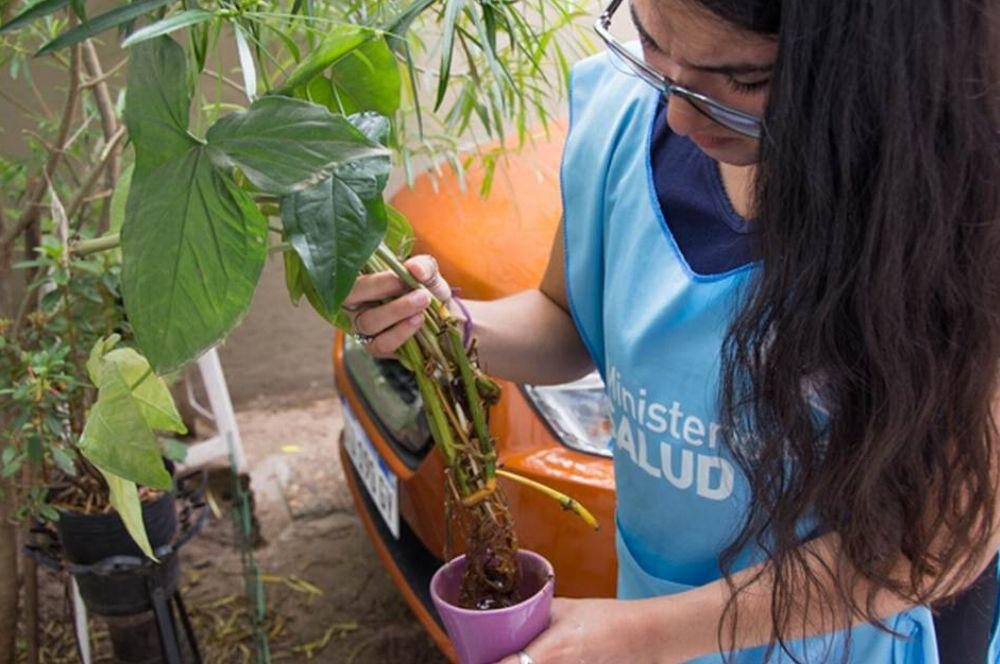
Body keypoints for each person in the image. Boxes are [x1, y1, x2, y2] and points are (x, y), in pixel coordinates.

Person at [342, 0, 1000, 661]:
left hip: (850, 632)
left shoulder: (958, 214)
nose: (680, 116)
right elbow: (565, 320)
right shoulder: (621, 121)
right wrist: (450, 324)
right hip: (660, 612)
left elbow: (939, 545)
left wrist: (647, 636)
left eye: (742, 80)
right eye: (653, 46)